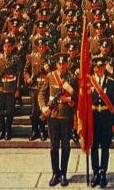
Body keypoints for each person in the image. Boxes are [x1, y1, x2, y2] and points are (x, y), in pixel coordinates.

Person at [39, 52, 78, 187]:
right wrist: (43, 107)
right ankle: (55, 173)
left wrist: (68, 100)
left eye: (64, 64)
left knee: (66, 146)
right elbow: (42, 93)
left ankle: (64, 174)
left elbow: (76, 98)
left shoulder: (72, 79)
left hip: (66, 116)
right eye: (60, 64)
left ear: (68, 64)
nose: (62, 66)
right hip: (53, 115)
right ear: (57, 64)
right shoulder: (50, 77)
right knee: (54, 146)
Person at [89, 53, 114, 188]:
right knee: (94, 146)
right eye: (97, 66)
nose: (99, 69)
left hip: (106, 117)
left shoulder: (111, 83)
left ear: (104, 67)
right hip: (93, 117)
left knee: (105, 147)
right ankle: (95, 172)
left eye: (101, 66)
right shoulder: (89, 82)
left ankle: (103, 173)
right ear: (94, 68)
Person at [0, 38, 22, 140]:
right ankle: (1, 130)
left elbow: (18, 74)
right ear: (2, 47)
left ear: (12, 47)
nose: (7, 48)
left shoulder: (16, 58)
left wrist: (18, 89)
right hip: (0, 88)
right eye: (5, 46)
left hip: (11, 88)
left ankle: (8, 130)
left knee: (9, 111)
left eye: (9, 46)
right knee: (0, 112)